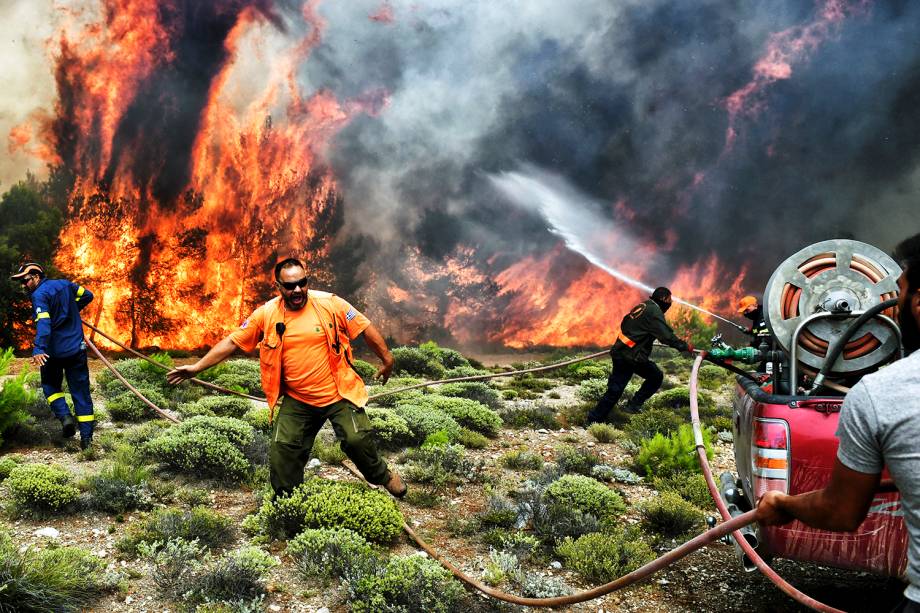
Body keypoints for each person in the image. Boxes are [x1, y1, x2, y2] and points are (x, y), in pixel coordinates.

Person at [756, 232, 920, 613]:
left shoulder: (881, 395)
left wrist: (785, 503)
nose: (890, 306)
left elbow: (841, 511)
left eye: (900, 292)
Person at [166, 258, 404, 499]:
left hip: (339, 392)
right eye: (290, 286)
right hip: (298, 399)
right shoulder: (267, 314)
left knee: (356, 440)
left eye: (302, 283)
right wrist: (196, 368)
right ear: (279, 287)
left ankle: (383, 476)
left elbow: (364, 327)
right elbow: (232, 341)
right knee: (282, 452)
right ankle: (288, 505)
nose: (297, 290)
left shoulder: (331, 304)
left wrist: (387, 359)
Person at [11, 262, 96, 449]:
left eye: (25, 281)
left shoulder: (39, 295)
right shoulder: (66, 284)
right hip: (76, 350)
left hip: (53, 353)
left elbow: (44, 324)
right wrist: (72, 310)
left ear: (36, 276)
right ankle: (87, 440)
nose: (23, 286)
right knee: (81, 393)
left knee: (50, 386)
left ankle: (65, 417)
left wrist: (39, 348)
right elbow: (88, 295)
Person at [586, 287, 691, 424]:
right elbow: (666, 336)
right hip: (630, 356)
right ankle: (609, 413)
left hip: (623, 352)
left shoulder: (643, 306)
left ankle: (602, 416)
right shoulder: (654, 311)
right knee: (651, 378)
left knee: (619, 388)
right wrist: (684, 346)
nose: (670, 304)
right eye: (670, 300)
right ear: (664, 298)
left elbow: (625, 322)